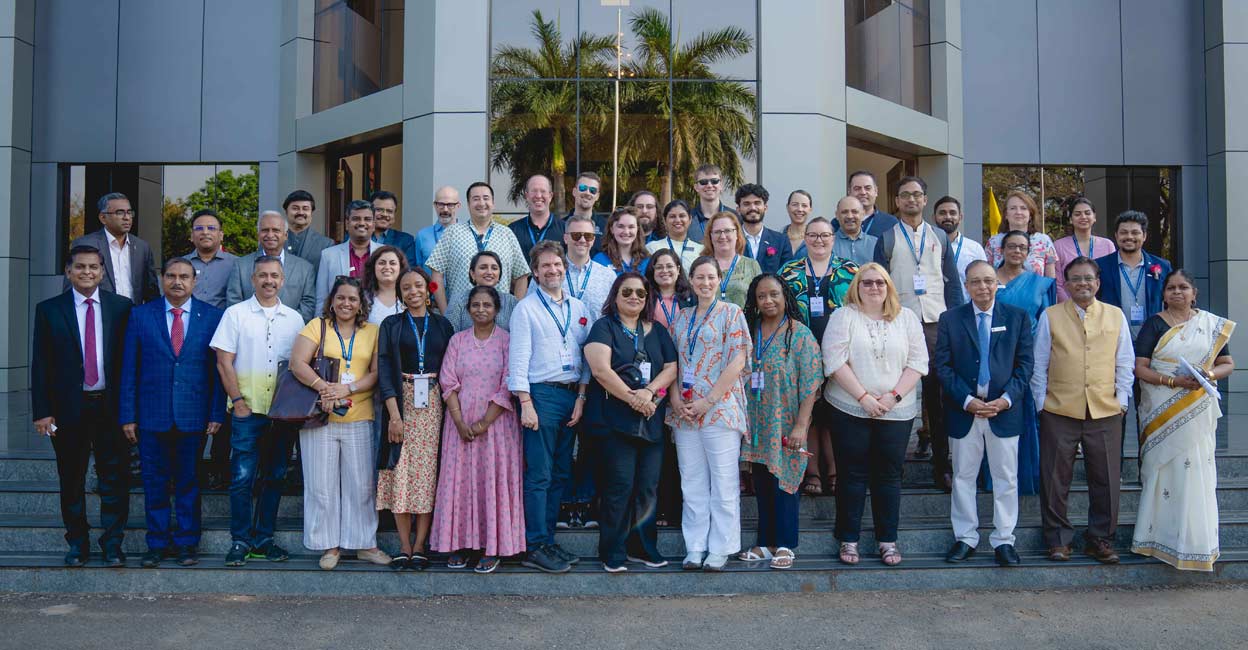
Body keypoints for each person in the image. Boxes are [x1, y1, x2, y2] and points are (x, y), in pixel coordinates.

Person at [119, 258, 226, 568]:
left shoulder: (212, 316)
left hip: (194, 415)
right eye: (171, 276)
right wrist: (128, 415)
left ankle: (187, 543)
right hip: (151, 415)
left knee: (189, 482)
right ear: (161, 279)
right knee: (154, 482)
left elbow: (219, 371)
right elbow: (129, 369)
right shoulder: (140, 315)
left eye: (184, 276)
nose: (177, 281)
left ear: (194, 281)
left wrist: (217, 412)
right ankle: (156, 543)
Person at [32, 246, 133, 567]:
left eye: (93, 267)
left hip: (111, 408)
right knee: (71, 479)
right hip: (68, 409)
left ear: (103, 272)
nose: (87, 272)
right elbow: (41, 364)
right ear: (68, 271)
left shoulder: (122, 308)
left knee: (114, 478)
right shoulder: (49, 310)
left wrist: (132, 410)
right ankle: (77, 543)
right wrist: (42, 410)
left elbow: (130, 364)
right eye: (80, 267)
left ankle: (112, 543)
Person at [822, 264, 927, 567]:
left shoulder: (906, 318)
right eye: (866, 282)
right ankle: (848, 540)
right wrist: (864, 398)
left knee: (889, 477)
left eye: (880, 282)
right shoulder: (844, 316)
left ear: (889, 286)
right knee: (851, 475)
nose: (874, 288)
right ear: (857, 286)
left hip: (897, 411)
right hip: (849, 408)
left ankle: (887, 541)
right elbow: (834, 360)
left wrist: (892, 397)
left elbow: (919, 362)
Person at [1031, 256, 1135, 564]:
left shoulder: (1116, 316)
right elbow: (1039, 364)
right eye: (1075, 279)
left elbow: (1125, 361)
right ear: (1066, 284)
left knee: (1106, 478)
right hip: (1058, 408)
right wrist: (1041, 404)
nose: (1083, 284)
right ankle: (1058, 540)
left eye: (1088, 278)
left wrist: (1123, 400)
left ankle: (1100, 539)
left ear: (1098, 282)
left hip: (1105, 409)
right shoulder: (1050, 316)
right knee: (1054, 478)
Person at [1131, 269, 1234, 572]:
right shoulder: (1155, 324)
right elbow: (1140, 367)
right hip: (1161, 406)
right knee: (1162, 472)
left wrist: (1208, 376)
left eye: (1183, 287)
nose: (1177, 292)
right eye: (1171, 288)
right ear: (1163, 294)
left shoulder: (1211, 326)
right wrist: (1173, 383)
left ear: (1194, 293)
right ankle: (1155, 540)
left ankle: (1195, 545)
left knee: (1196, 472)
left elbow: (1228, 364)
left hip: (1197, 410)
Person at [935, 260, 1034, 567]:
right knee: (964, 477)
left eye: (988, 281)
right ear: (966, 286)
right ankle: (965, 537)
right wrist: (967, 400)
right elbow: (943, 366)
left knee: (1006, 477)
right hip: (966, 411)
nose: (983, 287)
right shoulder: (950, 319)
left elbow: (1025, 366)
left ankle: (1004, 540)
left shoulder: (1017, 318)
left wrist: (1005, 400)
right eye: (976, 282)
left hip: (1004, 411)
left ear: (997, 284)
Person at [288, 276, 390, 570]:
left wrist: (348, 389)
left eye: (353, 299)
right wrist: (324, 387)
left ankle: (364, 544)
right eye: (341, 298)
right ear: (332, 300)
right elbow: (297, 363)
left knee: (361, 485)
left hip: (359, 415)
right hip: (320, 415)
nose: (346, 303)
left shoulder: (373, 331)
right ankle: (329, 546)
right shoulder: (317, 326)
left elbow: (375, 372)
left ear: (361, 305)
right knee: (322, 485)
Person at [873, 176, 965, 490]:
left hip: (937, 325)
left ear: (925, 200)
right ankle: (892, 467)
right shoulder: (885, 238)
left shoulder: (939, 236)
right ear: (896, 201)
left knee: (937, 399)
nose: (911, 200)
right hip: (899, 324)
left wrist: (956, 323)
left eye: (917, 195)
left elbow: (953, 284)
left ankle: (943, 465)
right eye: (905, 195)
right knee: (897, 398)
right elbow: (877, 285)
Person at [211, 255, 305, 567]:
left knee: (275, 476)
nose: (268, 281)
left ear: (282, 280)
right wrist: (237, 401)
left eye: (274, 276)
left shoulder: (294, 319)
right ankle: (240, 540)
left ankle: (264, 540)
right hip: (246, 410)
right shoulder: (235, 314)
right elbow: (223, 361)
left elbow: (300, 366)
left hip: (281, 414)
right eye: (262, 275)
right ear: (253, 280)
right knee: (241, 478)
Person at [508, 240, 593, 573]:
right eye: (545, 266)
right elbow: (518, 360)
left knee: (560, 473)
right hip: (540, 396)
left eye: (557, 265)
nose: (552, 270)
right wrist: (525, 403)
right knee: (539, 475)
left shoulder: (580, 307)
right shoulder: (525, 309)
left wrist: (582, 397)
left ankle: (548, 540)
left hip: (571, 396)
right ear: (535, 271)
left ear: (564, 267)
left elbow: (588, 355)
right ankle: (534, 544)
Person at [585, 273, 679, 572]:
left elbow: (671, 367)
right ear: (616, 294)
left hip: (649, 421)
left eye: (640, 292)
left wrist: (650, 394)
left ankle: (643, 548)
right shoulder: (605, 327)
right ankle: (613, 552)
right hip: (615, 420)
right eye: (627, 291)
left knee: (648, 488)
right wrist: (633, 399)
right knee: (619, 487)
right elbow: (600, 370)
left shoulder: (657, 331)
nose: (634, 297)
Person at [430, 286, 526, 573]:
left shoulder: (507, 341)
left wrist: (484, 422)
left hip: (497, 424)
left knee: (491, 482)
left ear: (497, 309)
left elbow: (509, 382)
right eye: (475, 305)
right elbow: (447, 381)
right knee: (459, 482)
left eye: (487, 305)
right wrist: (460, 421)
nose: (481, 309)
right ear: (468, 309)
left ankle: (491, 547)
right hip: (459, 425)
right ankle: (459, 544)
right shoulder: (457, 341)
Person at [667, 256, 750, 572]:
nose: (704, 283)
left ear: (719, 279)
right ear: (690, 279)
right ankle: (695, 546)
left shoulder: (732, 314)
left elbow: (738, 361)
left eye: (711, 277)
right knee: (692, 482)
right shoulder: (681, 317)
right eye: (699, 277)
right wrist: (674, 399)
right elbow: (672, 363)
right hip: (685, 411)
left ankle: (720, 548)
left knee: (724, 480)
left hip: (719, 409)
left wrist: (708, 401)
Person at [738, 275, 822, 570]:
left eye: (774, 294)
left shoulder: (799, 334)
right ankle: (765, 543)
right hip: (757, 421)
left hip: (786, 421)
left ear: (785, 296)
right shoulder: (750, 331)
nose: (768, 301)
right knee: (762, 482)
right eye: (762, 296)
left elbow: (811, 384)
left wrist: (802, 425)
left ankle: (786, 544)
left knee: (785, 481)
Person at [376, 267, 455, 570]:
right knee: (401, 473)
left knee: (427, 474)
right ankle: (404, 544)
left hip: (434, 401)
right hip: (402, 400)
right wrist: (394, 416)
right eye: (406, 287)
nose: (413, 292)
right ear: (400, 293)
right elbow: (384, 368)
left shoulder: (442, 325)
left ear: (428, 289)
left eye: (418, 286)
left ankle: (421, 545)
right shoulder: (391, 324)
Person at [778, 217, 858, 496]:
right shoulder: (788, 271)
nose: (819, 240)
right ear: (805, 239)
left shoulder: (850, 271)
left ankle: (834, 471)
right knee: (808, 410)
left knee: (835, 412)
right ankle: (811, 472)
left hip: (841, 353)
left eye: (825, 235)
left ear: (833, 239)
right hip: (800, 352)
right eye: (813, 235)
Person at [993, 231, 1056, 496]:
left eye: (1022, 247)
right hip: (994, 351)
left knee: (1026, 409)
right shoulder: (989, 279)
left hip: (1028, 352)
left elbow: (1047, 319)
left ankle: (1029, 473)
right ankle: (993, 475)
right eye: (1011, 246)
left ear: (1028, 252)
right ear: (1002, 250)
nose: (1016, 251)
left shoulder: (1039, 284)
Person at [645, 248, 696, 526]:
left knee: (684, 451)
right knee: (661, 450)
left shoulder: (690, 299)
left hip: (689, 377)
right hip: (657, 378)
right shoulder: (646, 299)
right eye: (658, 267)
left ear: (679, 270)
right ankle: (662, 508)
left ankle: (682, 510)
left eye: (670, 266)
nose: (664, 271)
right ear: (652, 272)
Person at [427, 181, 530, 312]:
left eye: (486, 198)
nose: (481, 203)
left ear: (493, 203)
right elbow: (436, 275)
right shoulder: (452, 233)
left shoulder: (506, 234)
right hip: (460, 317)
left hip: (500, 318)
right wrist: (445, 312)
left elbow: (522, 275)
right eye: (476, 199)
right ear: (468, 204)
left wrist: (514, 312)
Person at [67, 192, 159, 303]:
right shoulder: (85, 244)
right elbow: (70, 288)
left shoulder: (142, 247)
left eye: (129, 212)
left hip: (134, 316)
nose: (127, 217)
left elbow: (151, 291)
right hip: (100, 315)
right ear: (103, 218)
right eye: (120, 213)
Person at [227, 210, 318, 321]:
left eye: (276, 230)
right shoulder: (241, 266)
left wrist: (282, 327)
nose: (270, 235)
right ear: (258, 235)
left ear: (285, 235)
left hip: (291, 333)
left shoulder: (305, 269)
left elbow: (308, 305)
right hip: (250, 333)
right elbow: (234, 302)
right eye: (265, 230)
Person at [1095, 210, 1171, 334]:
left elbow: (1170, 302)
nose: (1129, 237)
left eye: (1135, 233)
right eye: (1124, 232)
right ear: (1116, 235)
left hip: (1154, 340)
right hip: (1113, 338)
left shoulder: (1162, 266)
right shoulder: (1100, 266)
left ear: (1144, 236)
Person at [316, 200, 382, 311]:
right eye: (356, 219)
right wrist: (321, 327)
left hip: (377, 323)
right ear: (347, 224)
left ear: (374, 225)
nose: (362, 223)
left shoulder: (385, 254)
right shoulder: (328, 255)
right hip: (339, 322)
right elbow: (321, 299)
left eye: (367, 219)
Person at [1054, 197, 1115, 301]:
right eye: (1077, 214)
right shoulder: (1058, 246)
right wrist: (1072, 307)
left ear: (1094, 217)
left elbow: (1113, 279)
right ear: (1071, 219)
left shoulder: (1108, 245)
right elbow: (1057, 284)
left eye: (1087, 213)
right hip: (1069, 307)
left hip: (1102, 307)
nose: (1083, 217)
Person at [986, 190, 1057, 278]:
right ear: (1006, 215)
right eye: (1013, 208)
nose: (1018, 212)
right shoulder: (994, 242)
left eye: (1023, 208)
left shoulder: (1043, 241)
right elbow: (988, 275)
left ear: (1030, 214)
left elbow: (1051, 279)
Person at [444, 250, 519, 332]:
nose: (489, 272)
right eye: (483, 267)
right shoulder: (458, 300)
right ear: (472, 273)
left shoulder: (511, 302)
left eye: (494, 268)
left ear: (499, 274)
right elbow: (449, 334)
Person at [700, 211, 762, 308]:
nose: (723, 236)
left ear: (737, 234)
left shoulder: (752, 265)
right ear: (710, 236)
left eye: (728, 231)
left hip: (744, 322)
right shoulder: (701, 266)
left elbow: (760, 301)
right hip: (708, 322)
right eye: (717, 232)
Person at [563, 214, 617, 323]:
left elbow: (615, 314)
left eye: (588, 236)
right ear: (565, 238)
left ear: (593, 240)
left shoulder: (608, 276)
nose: (582, 240)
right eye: (576, 235)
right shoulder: (549, 272)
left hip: (597, 339)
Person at [932, 196, 987, 303]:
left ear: (960, 217)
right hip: (933, 310)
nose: (948, 217)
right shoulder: (926, 246)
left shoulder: (974, 249)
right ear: (934, 217)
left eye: (952, 213)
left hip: (966, 310)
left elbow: (983, 279)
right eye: (942, 213)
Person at [182, 209, 235, 309]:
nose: (205, 232)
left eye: (211, 228)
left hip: (224, 322)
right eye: (199, 228)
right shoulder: (181, 265)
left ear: (221, 235)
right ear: (192, 236)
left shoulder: (236, 264)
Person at [735, 183, 793, 274]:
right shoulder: (731, 240)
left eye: (757, 203)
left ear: (765, 207)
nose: (752, 208)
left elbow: (787, 276)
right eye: (746, 204)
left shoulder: (781, 241)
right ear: (738, 209)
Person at [510, 174, 567, 261]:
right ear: (527, 195)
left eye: (543, 191)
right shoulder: (512, 231)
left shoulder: (565, 229)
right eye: (534, 191)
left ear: (551, 196)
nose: (538, 195)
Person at [283, 189, 335, 271]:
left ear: (311, 213)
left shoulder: (326, 244)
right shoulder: (273, 239)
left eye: (305, 209)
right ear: (286, 211)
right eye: (295, 208)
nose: (300, 212)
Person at [837, 171, 899, 238]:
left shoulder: (890, 222)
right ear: (849, 192)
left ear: (876, 191)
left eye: (867, 188)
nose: (863, 192)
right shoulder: (838, 222)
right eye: (857, 188)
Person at [645, 200, 701, 271]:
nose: (677, 220)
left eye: (682, 216)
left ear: (690, 219)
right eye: (672, 216)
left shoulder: (700, 250)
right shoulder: (652, 248)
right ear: (665, 221)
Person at [593, 206, 651, 274]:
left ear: (637, 229)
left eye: (631, 227)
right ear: (612, 229)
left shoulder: (647, 260)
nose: (626, 232)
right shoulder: (600, 260)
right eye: (620, 226)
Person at [414, 186, 461, 269]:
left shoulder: (468, 234)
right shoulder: (422, 236)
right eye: (441, 204)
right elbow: (417, 270)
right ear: (435, 205)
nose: (445, 209)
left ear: (458, 206)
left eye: (450, 205)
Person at [361, 245, 409, 325]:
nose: (387, 267)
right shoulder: (362, 298)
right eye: (382, 263)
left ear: (401, 268)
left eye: (392, 263)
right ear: (373, 267)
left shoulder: (409, 297)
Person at [370, 189, 418, 267]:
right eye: (379, 210)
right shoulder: (357, 237)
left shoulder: (406, 241)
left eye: (389, 211)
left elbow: (409, 271)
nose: (385, 214)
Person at [564, 171, 609, 255]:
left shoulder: (606, 227)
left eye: (592, 190)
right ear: (574, 192)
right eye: (583, 188)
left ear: (597, 196)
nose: (587, 193)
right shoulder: (561, 225)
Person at [689, 164, 732, 241]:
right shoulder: (688, 219)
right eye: (703, 182)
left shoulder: (734, 217)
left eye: (714, 181)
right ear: (696, 187)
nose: (709, 185)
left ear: (721, 185)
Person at [831, 196, 878, 266]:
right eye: (844, 212)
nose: (850, 216)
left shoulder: (876, 243)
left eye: (854, 212)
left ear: (863, 214)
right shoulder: (828, 243)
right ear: (837, 215)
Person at [784, 190, 813, 257]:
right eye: (795, 205)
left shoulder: (816, 238)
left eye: (804, 206)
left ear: (810, 210)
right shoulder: (778, 237)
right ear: (787, 208)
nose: (800, 209)